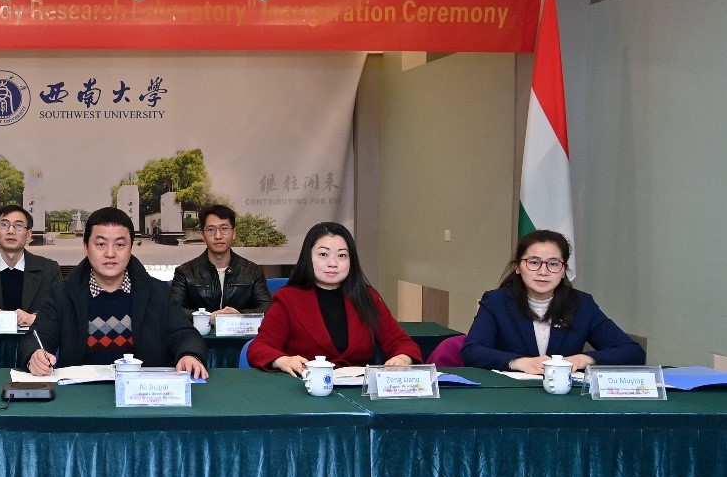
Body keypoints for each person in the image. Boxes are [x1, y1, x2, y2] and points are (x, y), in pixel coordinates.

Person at [19, 207, 208, 379]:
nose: (110, 253)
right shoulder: (62, 294)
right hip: (81, 394)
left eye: (120, 245)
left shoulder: (157, 292)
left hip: (142, 395)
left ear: (131, 248)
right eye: (101, 244)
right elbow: (36, 338)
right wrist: (34, 355)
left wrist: (189, 354)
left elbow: (186, 335)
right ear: (86, 248)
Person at [462, 229, 644, 373]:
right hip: (509, 394)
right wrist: (519, 363)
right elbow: (472, 351)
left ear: (564, 270)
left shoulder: (580, 304)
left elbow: (633, 352)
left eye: (554, 264)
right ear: (518, 267)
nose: (543, 272)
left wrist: (582, 360)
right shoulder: (497, 302)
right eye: (534, 262)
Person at [247, 222, 420, 373]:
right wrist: (283, 360)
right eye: (323, 254)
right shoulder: (288, 299)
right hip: (306, 389)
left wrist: (403, 357)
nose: (333, 263)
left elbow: (401, 342)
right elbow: (259, 347)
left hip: (357, 392)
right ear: (308, 257)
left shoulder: (367, 297)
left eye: (342, 255)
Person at [170, 204, 272, 316]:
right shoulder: (185, 272)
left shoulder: (253, 272)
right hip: (201, 328)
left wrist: (239, 315)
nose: (218, 236)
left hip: (239, 327)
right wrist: (207, 317)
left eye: (224, 229)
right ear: (203, 235)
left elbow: (267, 308)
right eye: (211, 229)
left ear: (234, 234)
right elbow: (172, 310)